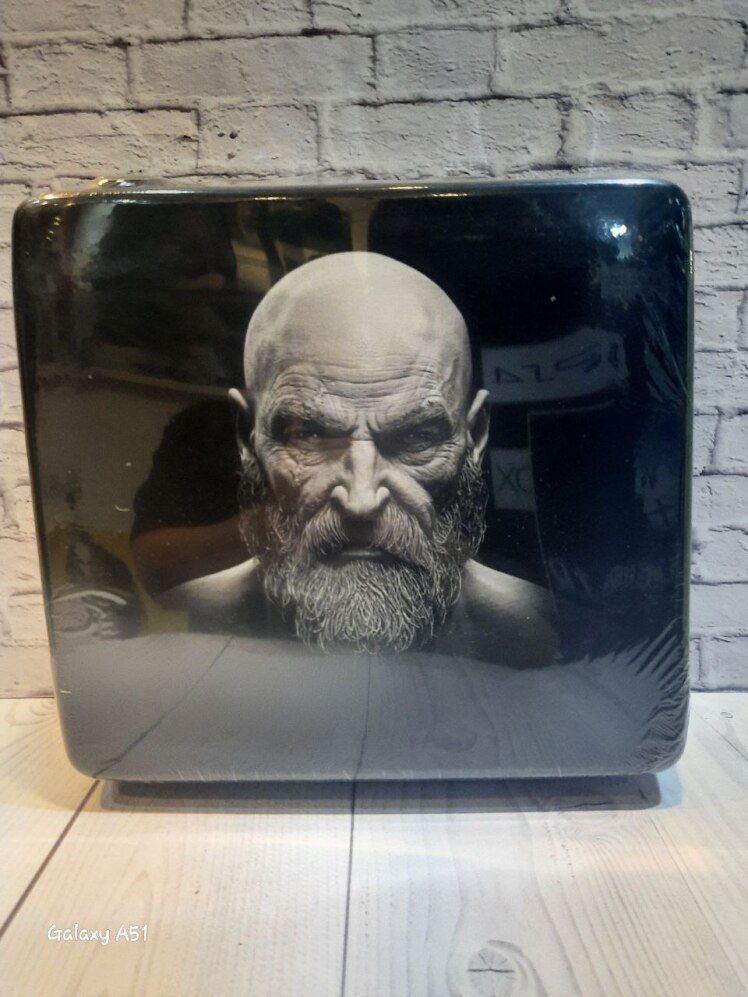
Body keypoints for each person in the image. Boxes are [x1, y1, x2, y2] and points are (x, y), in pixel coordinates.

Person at [164, 251, 558, 665]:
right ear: (249, 436)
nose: (361, 500)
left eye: (415, 437)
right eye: (310, 435)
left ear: (474, 436)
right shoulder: (187, 624)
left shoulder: (536, 626)